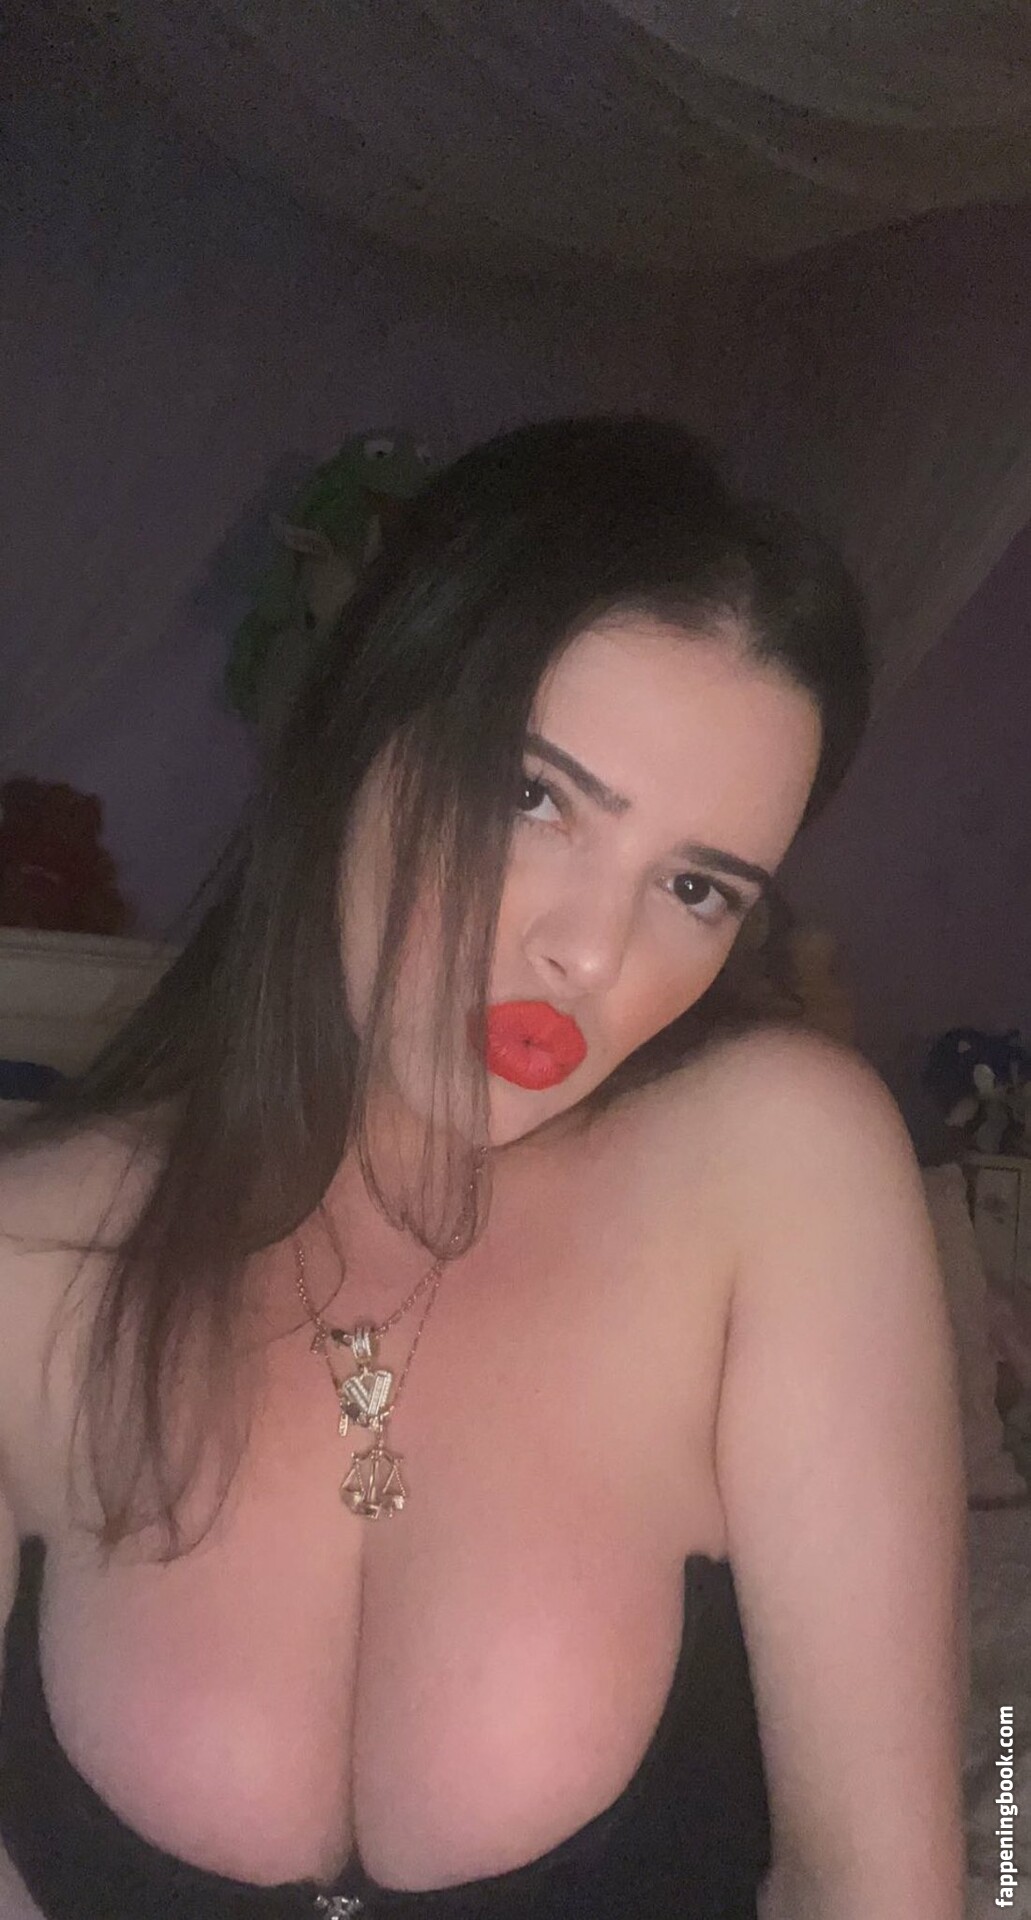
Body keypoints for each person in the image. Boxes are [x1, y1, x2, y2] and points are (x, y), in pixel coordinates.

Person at [0, 416, 968, 1919]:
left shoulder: (772, 1170)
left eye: (696, 886)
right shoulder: (28, 1264)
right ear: (357, 726)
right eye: (532, 796)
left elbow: (884, 1880)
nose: (591, 951)